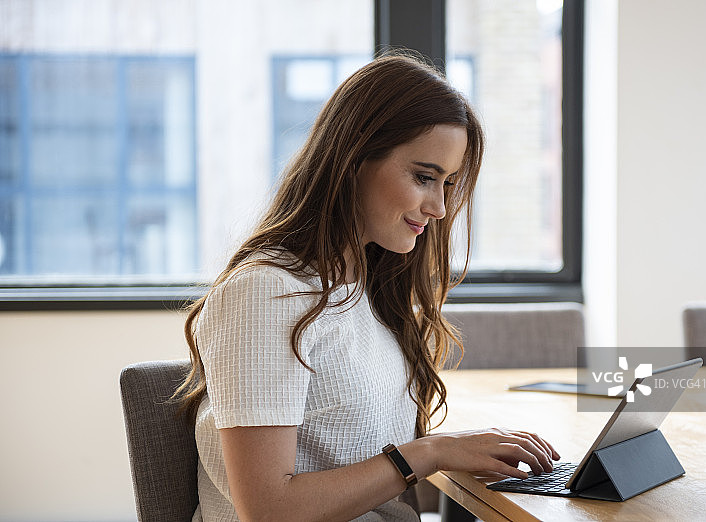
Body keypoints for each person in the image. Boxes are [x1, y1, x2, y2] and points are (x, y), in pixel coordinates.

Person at [175, 52, 560, 522]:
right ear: (354, 158)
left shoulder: (364, 289)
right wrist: (430, 452)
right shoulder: (266, 294)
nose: (439, 207)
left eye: (447, 183)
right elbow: (270, 510)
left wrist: (451, 449)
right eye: (424, 177)